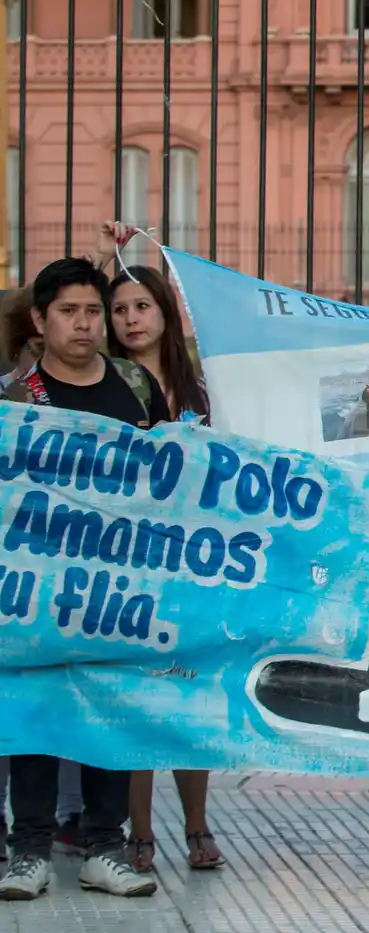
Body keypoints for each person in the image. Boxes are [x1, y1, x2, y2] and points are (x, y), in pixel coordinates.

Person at [0, 257, 171, 900]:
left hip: (122, 589)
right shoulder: (15, 396)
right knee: (38, 714)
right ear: (40, 321)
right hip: (36, 591)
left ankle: (106, 845)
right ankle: (29, 851)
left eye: (93, 311)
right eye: (68, 312)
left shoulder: (134, 382)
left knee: (111, 712)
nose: (84, 323)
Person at [103, 260, 222, 874]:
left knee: (189, 697)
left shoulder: (199, 385)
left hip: (194, 561)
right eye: (118, 309)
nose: (130, 319)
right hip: (125, 561)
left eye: (140, 306)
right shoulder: (104, 381)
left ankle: (198, 824)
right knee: (135, 699)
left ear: (165, 312)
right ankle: (140, 834)